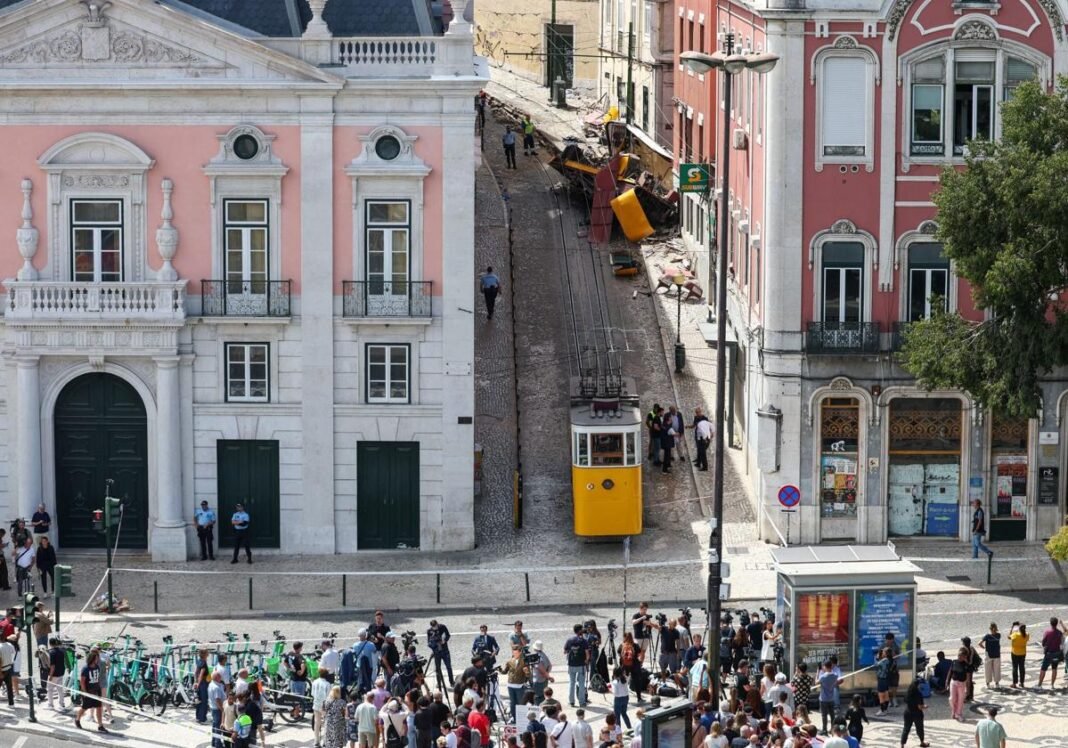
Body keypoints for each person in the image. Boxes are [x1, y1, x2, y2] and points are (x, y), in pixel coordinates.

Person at [75, 647, 108, 733]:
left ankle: (100, 725)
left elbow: (97, 679)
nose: (98, 659)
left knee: (99, 708)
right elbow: (82, 682)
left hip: (96, 690)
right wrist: (85, 693)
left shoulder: (97, 666)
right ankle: (77, 719)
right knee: (84, 708)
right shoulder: (85, 669)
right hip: (88, 691)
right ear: (92, 659)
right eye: (96, 658)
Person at [500, 649, 530, 723]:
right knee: (512, 703)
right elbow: (505, 671)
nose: (514, 654)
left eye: (516, 652)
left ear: (520, 653)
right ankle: (514, 717)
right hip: (510, 685)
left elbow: (528, 675)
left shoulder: (524, 662)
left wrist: (527, 672)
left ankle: (521, 718)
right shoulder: (510, 661)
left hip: (519, 685)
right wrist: (500, 669)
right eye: (513, 652)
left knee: (520, 703)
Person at [1036, 616, 1066, 689]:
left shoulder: (1047, 632)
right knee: (1054, 669)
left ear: (1050, 623)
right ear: (1056, 624)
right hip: (1057, 653)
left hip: (1049, 653)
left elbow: (1043, 643)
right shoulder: (1059, 633)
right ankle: (1052, 685)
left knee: (1043, 669)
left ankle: (1039, 685)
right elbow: (1062, 642)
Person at [564, 623, 590, 707]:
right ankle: (582, 702)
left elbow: (565, 651)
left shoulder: (569, 640)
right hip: (581, 665)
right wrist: (586, 661)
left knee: (572, 683)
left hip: (571, 664)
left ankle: (571, 701)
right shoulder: (584, 641)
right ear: (580, 631)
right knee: (581, 684)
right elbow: (587, 654)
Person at [900, 679, 929, 748]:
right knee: (919, 728)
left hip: (907, 712)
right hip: (917, 714)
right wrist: (925, 706)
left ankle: (902, 744)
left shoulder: (908, 692)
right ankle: (922, 742)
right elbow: (920, 707)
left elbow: (906, 701)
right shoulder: (918, 694)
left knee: (906, 729)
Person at [817, 660, 842, 735]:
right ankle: (832, 729)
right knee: (832, 715)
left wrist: (818, 671)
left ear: (825, 666)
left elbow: (816, 682)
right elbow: (837, 681)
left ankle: (824, 730)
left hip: (823, 698)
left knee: (824, 715)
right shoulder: (835, 675)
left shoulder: (823, 676)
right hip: (831, 698)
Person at [428, 620, 455, 687]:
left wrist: (444, 641)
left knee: (448, 667)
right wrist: (434, 646)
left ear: (437, 624)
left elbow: (448, 635)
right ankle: (439, 682)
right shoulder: (429, 631)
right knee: (437, 668)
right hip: (436, 652)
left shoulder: (442, 627)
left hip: (445, 650)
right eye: (433, 627)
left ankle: (451, 681)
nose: (435, 628)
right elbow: (429, 642)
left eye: (436, 626)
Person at [949, 647, 970, 721]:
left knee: (960, 700)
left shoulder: (967, 665)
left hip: (962, 683)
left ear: (965, 657)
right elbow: (950, 672)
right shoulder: (954, 662)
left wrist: (967, 689)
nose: (959, 657)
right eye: (958, 655)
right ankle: (954, 710)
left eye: (961, 656)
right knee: (952, 699)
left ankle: (958, 713)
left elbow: (968, 678)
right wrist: (947, 682)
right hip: (953, 682)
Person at [46, 636, 67, 711]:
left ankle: (50, 705)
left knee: (50, 689)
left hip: (54, 674)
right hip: (61, 673)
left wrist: (50, 675)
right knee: (60, 689)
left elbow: (52, 666)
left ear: (50, 644)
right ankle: (62, 704)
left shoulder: (51, 653)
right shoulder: (61, 651)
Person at [314, 666, 333, 745]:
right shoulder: (327, 684)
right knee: (326, 723)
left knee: (317, 722)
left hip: (316, 703)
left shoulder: (314, 682)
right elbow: (329, 695)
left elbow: (312, 693)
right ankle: (324, 741)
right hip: (325, 705)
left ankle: (316, 741)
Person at [979, 623, 1001, 689]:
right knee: (997, 669)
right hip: (997, 654)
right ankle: (997, 683)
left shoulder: (987, 636)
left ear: (990, 628)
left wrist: (984, 648)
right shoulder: (998, 635)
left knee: (988, 669)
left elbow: (979, 643)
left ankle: (988, 683)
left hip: (989, 654)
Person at [208, 671, 227, 748]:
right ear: (217, 677)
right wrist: (223, 710)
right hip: (218, 709)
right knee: (218, 727)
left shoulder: (212, 684)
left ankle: (214, 741)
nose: (221, 677)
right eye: (220, 676)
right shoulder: (216, 688)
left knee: (215, 726)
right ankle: (218, 744)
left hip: (213, 708)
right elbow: (218, 700)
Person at [1008, 622, 1029, 687]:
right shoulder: (1027, 634)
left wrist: (1012, 628)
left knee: (1015, 667)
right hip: (1023, 653)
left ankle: (1014, 683)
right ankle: (1022, 683)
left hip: (1015, 653)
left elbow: (1009, 637)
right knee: (1022, 667)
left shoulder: (1015, 634)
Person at [195, 647, 212, 723]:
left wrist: (195, 682)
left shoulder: (199, 661)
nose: (208, 653)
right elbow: (201, 674)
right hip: (203, 683)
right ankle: (202, 718)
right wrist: (198, 683)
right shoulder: (204, 662)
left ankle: (198, 717)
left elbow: (196, 672)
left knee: (199, 700)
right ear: (205, 654)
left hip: (200, 682)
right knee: (204, 701)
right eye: (207, 652)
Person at [875, 648, 891, 714]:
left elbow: (876, 664)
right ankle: (886, 709)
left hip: (882, 679)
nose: (882, 652)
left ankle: (882, 710)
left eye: (884, 652)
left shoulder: (883, 661)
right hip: (886, 679)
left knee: (881, 695)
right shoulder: (888, 661)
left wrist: (876, 658)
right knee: (886, 694)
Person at [0, 635, 15, 707]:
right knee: (9, 687)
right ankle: (11, 703)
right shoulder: (10, 645)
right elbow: (13, 653)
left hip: (1, 669)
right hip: (9, 668)